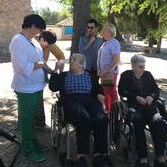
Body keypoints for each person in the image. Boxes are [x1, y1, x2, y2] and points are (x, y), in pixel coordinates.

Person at [49, 53, 111, 167]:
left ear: (82, 64)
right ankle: (82, 156)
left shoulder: (90, 75)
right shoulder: (64, 75)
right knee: (84, 118)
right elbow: (53, 87)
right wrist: (56, 70)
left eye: (74, 60)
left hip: (90, 101)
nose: (71, 61)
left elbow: (98, 88)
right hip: (71, 102)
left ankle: (99, 155)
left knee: (101, 118)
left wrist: (99, 94)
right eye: (71, 59)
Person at [9, 14, 50, 162]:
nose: (39, 32)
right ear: (32, 26)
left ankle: (34, 142)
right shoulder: (18, 41)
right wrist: (40, 65)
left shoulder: (31, 40)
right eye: (39, 28)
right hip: (26, 88)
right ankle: (28, 149)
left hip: (36, 86)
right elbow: (20, 67)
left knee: (32, 118)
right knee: (26, 120)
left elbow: (38, 60)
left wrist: (46, 67)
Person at [118, 54, 167, 167]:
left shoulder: (148, 75)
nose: (143, 69)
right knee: (137, 123)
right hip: (134, 107)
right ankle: (143, 158)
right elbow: (122, 91)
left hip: (149, 107)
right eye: (141, 67)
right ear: (133, 66)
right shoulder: (126, 75)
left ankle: (160, 156)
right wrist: (136, 97)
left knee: (159, 122)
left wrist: (151, 96)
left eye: (144, 66)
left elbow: (156, 90)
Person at [35, 30, 65, 128]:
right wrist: (50, 70)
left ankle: (39, 122)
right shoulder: (33, 44)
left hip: (40, 76)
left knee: (38, 98)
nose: (49, 47)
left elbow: (61, 57)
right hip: (30, 77)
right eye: (48, 45)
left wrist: (59, 66)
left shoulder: (49, 43)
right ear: (42, 39)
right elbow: (40, 63)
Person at [97, 23, 121, 112]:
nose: (102, 31)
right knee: (106, 92)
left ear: (111, 32)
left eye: (105, 30)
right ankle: (108, 111)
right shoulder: (106, 43)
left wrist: (106, 71)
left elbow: (116, 60)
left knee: (110, 92)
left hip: (109, 73)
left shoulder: (114, 43)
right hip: (104, 73)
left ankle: (115, 112)